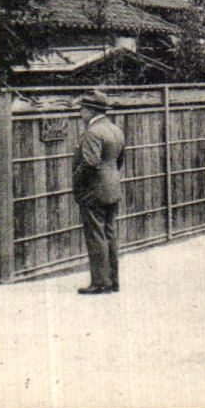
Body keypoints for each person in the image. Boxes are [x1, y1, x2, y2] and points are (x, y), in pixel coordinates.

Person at [73, 90, 126, 294]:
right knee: (109, 234)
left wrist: (77, 182)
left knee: (96, 235)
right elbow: (119, 160)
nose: (80, 112)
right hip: (112, 187)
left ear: (89, 110)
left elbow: (90, 162)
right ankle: (113, 281)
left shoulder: (92, 132)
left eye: (82, 109)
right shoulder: (115, 129)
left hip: (94, 190)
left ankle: (100, 283)